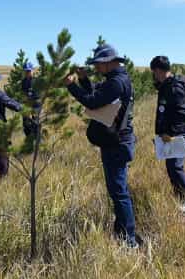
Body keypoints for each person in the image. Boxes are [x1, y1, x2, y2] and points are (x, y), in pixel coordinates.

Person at [65, 44, 139, 248]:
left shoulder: (116, 83)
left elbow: (92, 101)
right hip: (117, 142)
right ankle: (123, 230)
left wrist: (71, 86)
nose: (96, 68)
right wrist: (83, 79)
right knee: (119, 190)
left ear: (108, 63)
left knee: (119, 192)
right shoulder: (116, 80)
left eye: (98, 64)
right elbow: (98, 94)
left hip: (117, 144)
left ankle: (129, 239)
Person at [150, 55, 185, 215]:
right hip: (172, 134)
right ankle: (180, 199)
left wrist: (169, 134)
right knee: (172, 167)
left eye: (154, 72)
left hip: (178, 135)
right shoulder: (168, 85)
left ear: (158, 70)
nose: (153, 76)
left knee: (176, 167)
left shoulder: (175, 87)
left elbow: (180, 113)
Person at [21, 62, 40, 138]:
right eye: (26, 71)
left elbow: (39, 94)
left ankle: (37, 140)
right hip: (26, 105)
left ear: (32, 70)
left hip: (36, 105)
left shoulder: (37, 81)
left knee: (35, 123)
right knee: (26, 124)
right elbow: (23, 93)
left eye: (29, 71)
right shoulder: (23, 81)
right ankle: (28, 140)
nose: (27, 72)